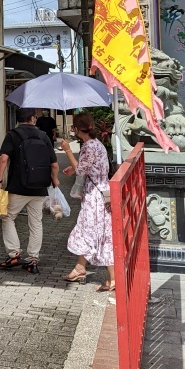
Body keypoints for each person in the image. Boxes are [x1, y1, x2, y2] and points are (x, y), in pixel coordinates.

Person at [0, 108, 59, 274]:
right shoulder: (43, 136)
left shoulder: (12, 135)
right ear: (32, 119)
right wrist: (55, 179)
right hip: (40, 188)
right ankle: (33, 260)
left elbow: (3, 159)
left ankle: (14, 253)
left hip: (18, 186)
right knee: (36, 222)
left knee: (8, 217)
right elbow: (54, 164)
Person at [59, 112, 114, 291]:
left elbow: (82, 170)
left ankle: (113, 278)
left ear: (76, 129)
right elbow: (86, 168)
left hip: (95, 197)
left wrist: (67, 150)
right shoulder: (96, 144)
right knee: (89, 230)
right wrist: (73, 168)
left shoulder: (89, 146)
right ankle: (80, 268)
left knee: (94, 233)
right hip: (100, 192)